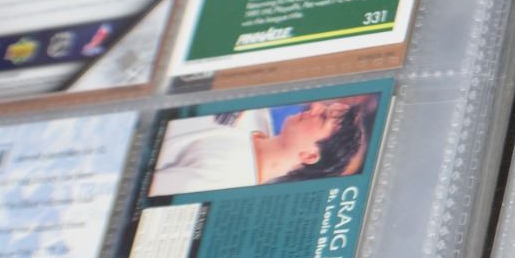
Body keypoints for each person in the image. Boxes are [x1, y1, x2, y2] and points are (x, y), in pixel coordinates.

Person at [149, 94, 376, 195]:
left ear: (309, 156)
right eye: (325, 108)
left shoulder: (226, 179)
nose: (315, 106)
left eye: (323, 117)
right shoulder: (258, 113)